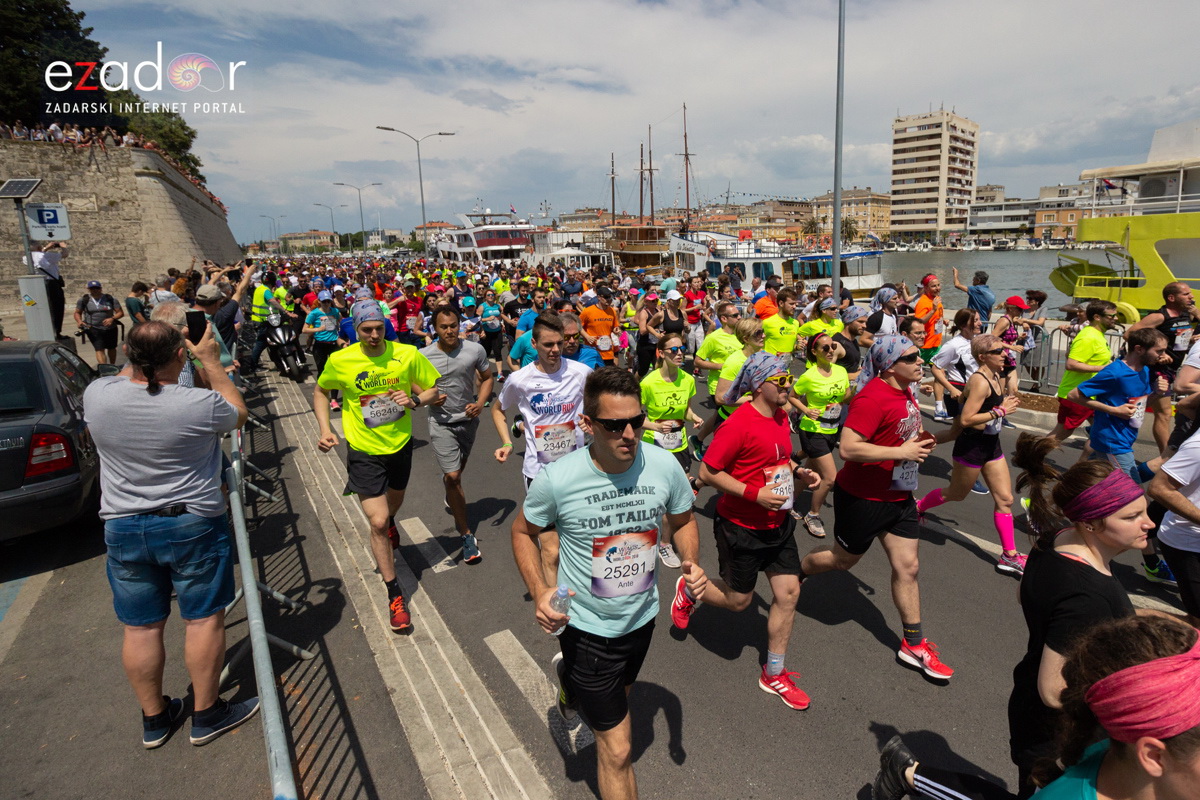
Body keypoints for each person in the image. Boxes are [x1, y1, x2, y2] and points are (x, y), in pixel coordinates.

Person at [512, 367, 706, 800]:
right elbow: (523, 531)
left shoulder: (663, 466)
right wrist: (541, 590)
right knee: (618, 750)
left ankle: (571, 684)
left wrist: (690, 561)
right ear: (588, 423)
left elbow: (684, 519)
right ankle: (576, 677)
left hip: (641, 621)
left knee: (619, 699)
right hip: (588, 630)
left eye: (636, 421)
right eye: (614, 425)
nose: (629, 433)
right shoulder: (559, 479)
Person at [83, 320, 259, 748]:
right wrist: (212, 363)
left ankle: (155, 718)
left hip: (124, 526)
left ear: (127, 353)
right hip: (189, 523)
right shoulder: (196, 404)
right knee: (201, 618)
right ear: (179, 357)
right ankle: (206, 712)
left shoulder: (98, 396)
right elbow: (238, 411)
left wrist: (143, 352)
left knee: (140, 628)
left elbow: (130, 374)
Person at [1006, 434, 1156, 797]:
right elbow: (1055, 690)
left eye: (1144, 510)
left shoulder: (1056, 538)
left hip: (1031, 714)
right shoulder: (1088, 593)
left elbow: (1025, 595)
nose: (1148, 523)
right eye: (1132, 516)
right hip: (1060, 738)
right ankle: (914, 775)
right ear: (1090, 524)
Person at [798, 335, 953, 680]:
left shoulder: (906, 390)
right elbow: (849, 449)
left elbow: (905, 434)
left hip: (899, 496)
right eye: (912, 357)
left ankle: (913, 643)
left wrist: (951, 432)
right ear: (890, 365)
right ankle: (800, 572)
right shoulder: (872, 397)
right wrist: (902, 453)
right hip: (863, 500)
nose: (920, 362)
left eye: (920, 355)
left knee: (908, 567)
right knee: (842, 561)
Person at [677, 352, 821, 709]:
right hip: (741, 527)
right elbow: (709, 472)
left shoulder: (781, 416)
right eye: (782, 380)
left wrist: (797, 471)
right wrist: (755, 494)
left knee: (788, 593)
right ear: (760, 385)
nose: (789, 385)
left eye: (789, 378)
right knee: (739, 601)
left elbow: (775, 457)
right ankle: (690, 590)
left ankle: (774, 673)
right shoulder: (737, 424)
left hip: (779, 525)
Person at [312, 301, 443, 634]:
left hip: (399, 446)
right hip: (363, 449)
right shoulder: (340, 360)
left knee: (393, 506)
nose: (373, 334)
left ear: (386, 325)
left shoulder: (407, 354)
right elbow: (321, 390)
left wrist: (414, 400)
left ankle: (392, 522)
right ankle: (394, 592)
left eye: (378, 327)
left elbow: (433, 389)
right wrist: (326, 429)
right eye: (366, 329)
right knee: (378, 520)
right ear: (355, 330)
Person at [493, 313, 592, 588]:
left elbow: (598, 405)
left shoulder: (581, 373)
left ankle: (581, 591)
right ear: (533, 343)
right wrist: (507, 442)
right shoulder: (520, 379)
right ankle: (555, 602)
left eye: (559, 343)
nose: (556, 350)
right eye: (548, 344)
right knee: (551, 549)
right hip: (539, 473)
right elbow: (498, 411)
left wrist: (591, 423)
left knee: (580, 539)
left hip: (578, 470)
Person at [916, 335, 1028, 575]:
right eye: (998, 351)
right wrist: (1000, 410)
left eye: (1003, 350)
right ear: (982, 357)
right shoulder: (979, 381)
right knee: (955, 494)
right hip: (972, 447)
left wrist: (1006, 399)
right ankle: (918, 508)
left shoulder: (996, 374)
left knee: (1005, 499)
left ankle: (1009, 556)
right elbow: (966, 420)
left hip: (991, 446)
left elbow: (958, 424)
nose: (1004, 354)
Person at [421, 306, 494, 564]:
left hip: (468, 421)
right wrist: (427, 395)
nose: (449, 330)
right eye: (443, 327)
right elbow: (410, 380)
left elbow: (487, 378)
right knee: (452, 477)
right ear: (435, 329)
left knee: (456, 473)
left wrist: (481, 402)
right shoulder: (424, 355)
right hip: (440, 423)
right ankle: (466, 535)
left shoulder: (474, 350)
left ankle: (451, 487)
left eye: (453, 325)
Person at [640, 332, 705, 567]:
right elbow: (635, 416)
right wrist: (655, 426)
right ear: (661, 353)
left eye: (682, 348)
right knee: (663, 496)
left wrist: (695, 416)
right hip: (654, 447)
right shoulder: (648, 382)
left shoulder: (687, 380)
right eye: (673, 350)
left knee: (674, 496)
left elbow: (685, 411)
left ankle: (664, 542)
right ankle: (664, 541)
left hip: (680, 445)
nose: (680, 353)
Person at [1125, 281, 1198, 454]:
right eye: (1186, 294)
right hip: (1156, 370)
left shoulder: (1186, 314)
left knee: (1141, 409)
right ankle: (1166, 456)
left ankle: (1102, 442)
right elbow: (1129, 334)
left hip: (1171, 369)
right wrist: (1158, 353)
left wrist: (1191, 340)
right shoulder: (1160, 316)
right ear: (1171, 298)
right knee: (1164, 413)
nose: (1191, 296)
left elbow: (1178, 340)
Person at [789, 333, 850, 538]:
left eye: (832, 346)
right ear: (814, 352)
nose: (831, 350)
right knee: (830, 478)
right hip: (812, 430)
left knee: (810, 469)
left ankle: (790, 500)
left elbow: (846, 396)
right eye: (825, 348)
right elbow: (792, 396)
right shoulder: (809, 375)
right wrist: (805, 410)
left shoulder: (841, 371)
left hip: (832, 429)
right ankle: (813, 515)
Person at [1050, 301, 1118, 453]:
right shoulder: (1088, 337)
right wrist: (1103, 368)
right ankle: (1030, 455)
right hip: (1077, 394)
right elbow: (1071, 364)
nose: (1116, 318)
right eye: (1112, 315)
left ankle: (1088, 467)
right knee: (1063, 432)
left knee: (1102, 432)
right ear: (1097, 317)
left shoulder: (1096, 334)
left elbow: (1071, 354)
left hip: (1090, 395)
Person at [693, 300, 743, 404]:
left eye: (739, 314)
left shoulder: (742, 335)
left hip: (740, 384)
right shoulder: (713, 338)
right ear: (724, 319)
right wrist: (722, 366)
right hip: (719, 386)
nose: (739, 317)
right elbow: (697, 362)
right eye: (735, 315)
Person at [302, 290, 346, 410]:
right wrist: (318, 329)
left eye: (328, 301)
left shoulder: (335, 311)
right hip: (320, 345)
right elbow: (304, 330)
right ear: (319, 302)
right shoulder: (314, 313)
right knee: (322, 371)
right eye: (324, 301)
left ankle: (334, 400)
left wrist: (342, 331)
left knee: (335, 371)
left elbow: (341, 322)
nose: (327, 303)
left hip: (333, 344)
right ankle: (322, 393)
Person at [912, 274, 947, 417]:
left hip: (935, 344)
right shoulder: (923, 302)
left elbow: (935, 317)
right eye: (933, 286)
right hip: (923, 346)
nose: (937, 288)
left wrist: (942, 320)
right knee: (915, 377)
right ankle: (911, 403)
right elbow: (918, 322)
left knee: (940, 374)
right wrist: (932, 310)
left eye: (938, 285)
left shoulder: (936, 300)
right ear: (926, 288)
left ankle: (939, 408)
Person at [74, 280, 124, 364]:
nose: (95, 290)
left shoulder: (110, 299)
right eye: (92, 288)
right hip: (93, 328)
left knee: (111, 348)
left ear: (101, 288)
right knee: (99, 348)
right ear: (88, 289)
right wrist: (79, 321)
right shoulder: (84, 300)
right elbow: (77, 312)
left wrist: (112, 318)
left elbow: (120, 313)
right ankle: (104, 368)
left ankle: (112, 365)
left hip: (110, 328)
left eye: (97, 288)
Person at [991, 295, 1030, 401]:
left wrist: (1018, 337)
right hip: (1001, 359)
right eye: (1019, 309)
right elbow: (992, 339)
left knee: (1013, 391)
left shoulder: (1011, 321)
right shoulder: (1004, 321)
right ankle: (997, 414)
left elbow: (1005, 337)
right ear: (1011, 308)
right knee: (1000, 392)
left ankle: (1003, 413)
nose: (1021, 311)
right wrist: (1012, 347)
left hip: (1010, 360)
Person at [31, 241, 68, 338]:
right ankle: (56, 332)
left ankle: (44, 332)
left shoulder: (27, 257)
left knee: (42, 308)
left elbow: (38, 257)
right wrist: (63, 247)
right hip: (51, 284)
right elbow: (65, 254)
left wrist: (46, 248)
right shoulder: (48, 256)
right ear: (38, 246)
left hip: (38, 284)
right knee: (57, 308)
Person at [580, 286, 620, 364]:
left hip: (607, 351)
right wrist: (587, 336)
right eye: (606, 297)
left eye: (610, 297)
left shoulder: (612, 311)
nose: (609, 299)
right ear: (599, 297)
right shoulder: (587, 311)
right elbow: (577, 326)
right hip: (593, 351)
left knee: (608, 375)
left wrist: (616, 330)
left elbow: (615, 327)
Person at [761, 288, 802, 358]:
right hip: (769, 367)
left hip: (786, 368)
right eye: (791, 304)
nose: (794, 306)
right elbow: (754, 345)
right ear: (781, 303)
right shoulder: (767, 323)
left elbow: (787, 347)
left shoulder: (795, 323)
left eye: (795, 304)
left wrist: (797, 347)